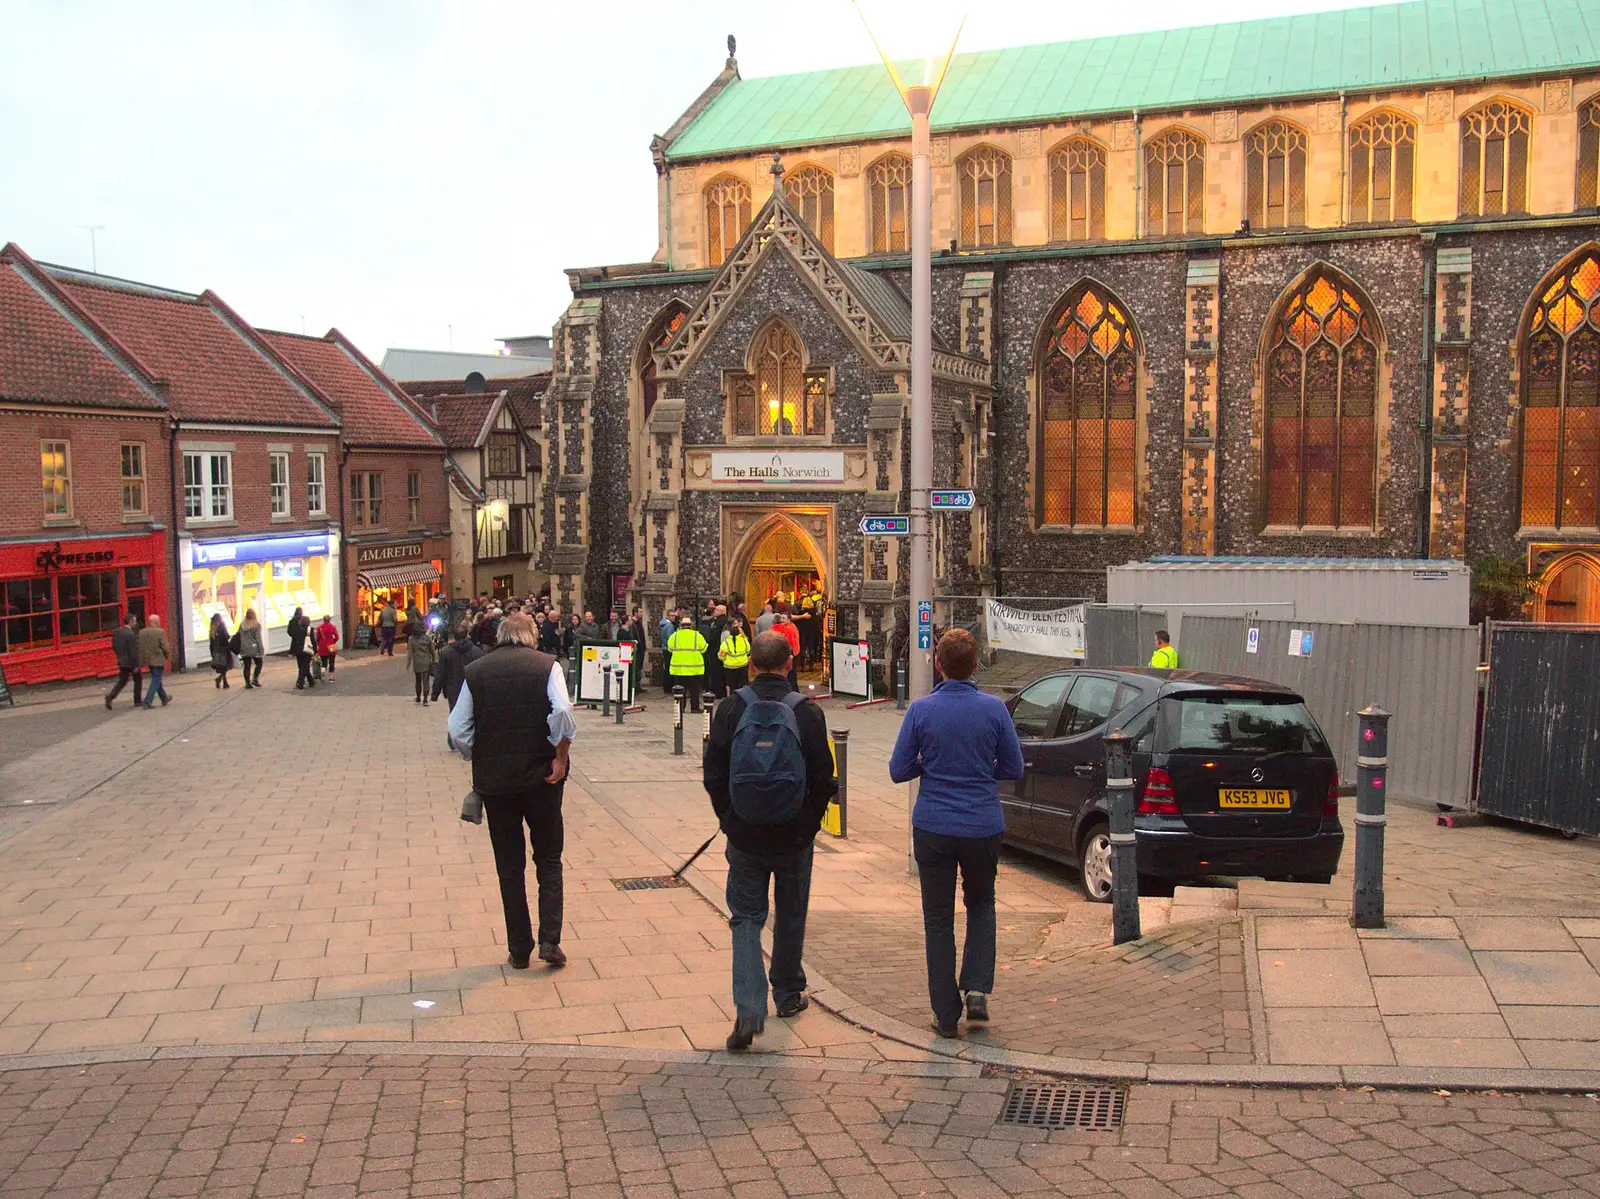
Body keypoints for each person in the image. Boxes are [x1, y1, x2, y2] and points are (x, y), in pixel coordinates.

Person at [703, 630, 836, 1051]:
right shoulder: (807, 713)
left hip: (745, 835)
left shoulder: (728, 709)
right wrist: (808, 826)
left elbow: (713, 774)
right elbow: (823, 778)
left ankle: (747, 1009)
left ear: (751, 666)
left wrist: (729, 819)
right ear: (790, 664)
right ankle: (787, 994)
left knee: (745, 918)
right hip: (793, 835)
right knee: (791, 913)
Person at [889, 628, 1025, 1039]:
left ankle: (945, 1013)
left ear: (939, 664)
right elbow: (1014, 768)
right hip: (982, 823)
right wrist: (982, 770)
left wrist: (929, 765)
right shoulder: (995, 710)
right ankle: (978, 989)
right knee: (982, 904)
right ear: (976, 663)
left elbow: (899, 770)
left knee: (938, 918)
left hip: (933, 824)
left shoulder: (921, 710)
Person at [448, 612, 577, 970]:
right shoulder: (547, 666)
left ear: (501, 637)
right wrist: (560, 755)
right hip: (543, 778)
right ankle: (550, 940)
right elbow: (563, 710)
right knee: (548, 859)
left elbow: (458, 729)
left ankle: (519, 947)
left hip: (497, 783)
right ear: (532, 636)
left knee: (509, 866)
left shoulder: (476, 671)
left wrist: (479, 752)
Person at [432, 622, 484, 737]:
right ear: (467, 635)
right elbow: (482, 672)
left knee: (454, 712)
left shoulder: (446, 652)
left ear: (454, 637)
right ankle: (470, 736)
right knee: (472, 713)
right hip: (471, 687)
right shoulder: (476, 652)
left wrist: (435, 693)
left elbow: (441, 674)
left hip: (453, 688)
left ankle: (453, 739)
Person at [666, 615, 709, 712]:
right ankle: (695, 707)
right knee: (695, 690)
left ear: (681, 625)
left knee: (680, 691)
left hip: (679, 669)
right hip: (695, 668)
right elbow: (704, 649)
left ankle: (680, 708)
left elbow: (670, 648)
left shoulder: (674, 636)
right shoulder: (697, 635)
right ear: (691, 625)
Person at [105, 613, 142, 709]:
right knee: (138, 680)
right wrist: (136, 665)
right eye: (134, 621)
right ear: (130, 622)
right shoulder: (131, 634)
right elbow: (133, 651)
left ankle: (111, 696)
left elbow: (114, 646)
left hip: (122, 660)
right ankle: (137, 701)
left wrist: (119, 656)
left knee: (122, 680)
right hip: (131, 662)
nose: (135, 623)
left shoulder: (117, 632)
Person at [137, 614, 172, 709]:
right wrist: (167, 654)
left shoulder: (142, 632)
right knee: (156, 679)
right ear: (157, 622)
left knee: (156, 679)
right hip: (158, 659)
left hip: (148, 660)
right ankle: (147, 701)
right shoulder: (160, 632)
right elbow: (165, 647)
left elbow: (140, 646)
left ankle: (164, 698)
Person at [407, 618, 439, 704]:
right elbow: (432, 650)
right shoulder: (427, 638)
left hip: (417, 662)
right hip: (426, 661)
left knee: (418, 680)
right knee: (426, 680)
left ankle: (418, 697)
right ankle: (425, 699)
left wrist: (408, 663)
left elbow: (410, 651)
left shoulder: (411, 639)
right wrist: (434, 659)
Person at [719, 614, 752, 694]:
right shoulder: (744, 640)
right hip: (742, 665)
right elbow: (748, 650)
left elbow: (721, 655)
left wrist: (725, 659)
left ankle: (732, 701)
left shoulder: (726, 642)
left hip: (730, 667)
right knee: (742, 685)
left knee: (732, 686)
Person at [773, 612, 801, 691]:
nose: (781, 620)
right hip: (793, 651)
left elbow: (789, 642)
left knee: (791, 673)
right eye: (781, 618)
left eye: (784, 618)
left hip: (791, 652)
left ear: (788, 619)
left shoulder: (789, 628)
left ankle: (792, 689)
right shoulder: (790, 626)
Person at [288, 607, 315, 689]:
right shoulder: (310, 630)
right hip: (308, 649)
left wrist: (291, 651)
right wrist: (316, 651)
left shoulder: (296, 629)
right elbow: (313, 641)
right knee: (305, 666)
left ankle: (309, 681)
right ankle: (301, 683)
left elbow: (293, 639)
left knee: (302, 666)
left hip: (298, 650)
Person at [237, 608, 264, 689]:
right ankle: (255, 679)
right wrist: (261, 649)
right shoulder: (256, 624)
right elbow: (258, 638)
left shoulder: (242, 624)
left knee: (247, 666)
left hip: (244, 647)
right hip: (254, 648)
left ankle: (247, 683)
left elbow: (238, 635)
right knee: (259, 663)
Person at [208, 612, 234, 689]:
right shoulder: (221, 626)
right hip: (224, 649)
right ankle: (223, 681)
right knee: (226, 665)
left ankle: (220, 679)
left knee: (222, 666)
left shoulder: (212, 628)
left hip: (216, 650)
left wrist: (212, 653)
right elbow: (226, 636)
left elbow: (212, 642)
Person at [658, 606, 678, 692]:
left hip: (664, 647)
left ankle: (666, 687)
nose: (673, 617)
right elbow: (671, 638)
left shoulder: (663, 624)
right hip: (669, 649)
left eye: (674, 615)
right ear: (668, 616)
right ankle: (669, 687)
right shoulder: (669, 626)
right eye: (672, 616)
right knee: (669, 669)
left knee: (666, 668)